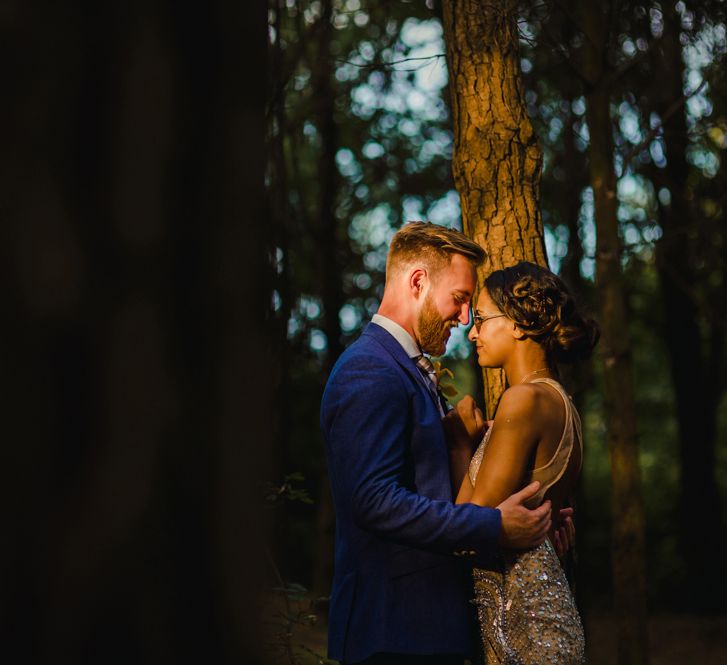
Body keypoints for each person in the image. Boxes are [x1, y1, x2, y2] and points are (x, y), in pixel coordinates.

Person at [320, 223, 570, 665]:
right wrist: (495, 527)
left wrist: (532, 517)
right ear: (418, 282)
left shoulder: (406, 368)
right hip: (394, 633)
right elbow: (374, 502)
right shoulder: (369, 369)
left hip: (430, 630)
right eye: (458, 299)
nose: (464, 317)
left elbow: (433, 488)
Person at [447, 261, 598, 664]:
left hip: (526, 632)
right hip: (535, 619)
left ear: (516, 323)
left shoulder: (523, 400)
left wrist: (461, 446)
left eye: (480, 319)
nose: (472, 331)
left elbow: (467, 524)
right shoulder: (561, 403)